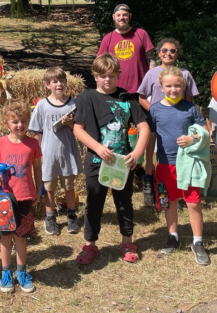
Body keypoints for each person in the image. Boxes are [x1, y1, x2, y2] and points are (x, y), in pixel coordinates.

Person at [73, 53, 149, 265]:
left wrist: (137, 153)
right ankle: (89, 244)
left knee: (124, 203)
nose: (108, 80)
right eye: (103, 76)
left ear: (118, 76)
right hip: (96, 163)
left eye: (112, 76)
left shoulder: (126, 98)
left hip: (122, 163)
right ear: (95, 76)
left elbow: (144, 127)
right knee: (94, 203)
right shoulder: (86, 98)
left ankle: (127, 242)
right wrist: (97, 148)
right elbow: (78, 129)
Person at [146, 66, 210, 265]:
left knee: (193, 202)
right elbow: (151, 137)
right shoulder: (155, 109)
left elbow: (204, 133)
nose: (173, 89)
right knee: (170, 201)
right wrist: (148, 161)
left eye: (177, 86)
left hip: (189, 163)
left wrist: (192, 139)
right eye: (168, 86)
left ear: (182, 86)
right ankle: (173, 236)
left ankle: (197, 242)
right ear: (161, 86)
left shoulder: (191, 108)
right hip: (165, 164)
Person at [0, 99, 42, 293]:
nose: (20, 125)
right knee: (6, 238)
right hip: (3, 200)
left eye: (23, 120)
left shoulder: (33, 143)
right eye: (14, 121)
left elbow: (37, 168)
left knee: (21, 237)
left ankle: (21, 272)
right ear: (6, 122)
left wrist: (38, 190)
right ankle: (6, 272)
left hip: (24, 197)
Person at [29, 67, 82, 235]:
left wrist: (70, 123)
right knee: (49, 187)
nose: (59, 84)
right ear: (47, 85)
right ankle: (50, 217)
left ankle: (72, 216)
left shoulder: (74, 103)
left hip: (68, 152)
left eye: (62, 81)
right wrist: (37, 155)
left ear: (66, 82)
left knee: (69, 186)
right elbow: (37, 132)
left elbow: (80, 129)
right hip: (48, 153)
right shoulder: (42, 105)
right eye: (55, 81)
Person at [97, 4, 156, 100]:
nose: (121, 18)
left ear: (130, 16)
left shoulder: (141, 34)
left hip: (141, 90)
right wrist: (99, 90)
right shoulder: (108, 38)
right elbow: (99, 67)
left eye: (124, 15)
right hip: (115, 91)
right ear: (113, 17)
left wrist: (152, 81)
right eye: (118, 15)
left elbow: (151, 58)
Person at [138, 37, 198, 111]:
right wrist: (154, 112)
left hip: (180, 116)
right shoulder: (151, 73)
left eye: (172, 51)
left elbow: (189, 99)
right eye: (164, 50)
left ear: (177, 54)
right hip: (157, 119)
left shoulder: (185, 74)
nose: (168, 53)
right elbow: (142, 98)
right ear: (159, 53)